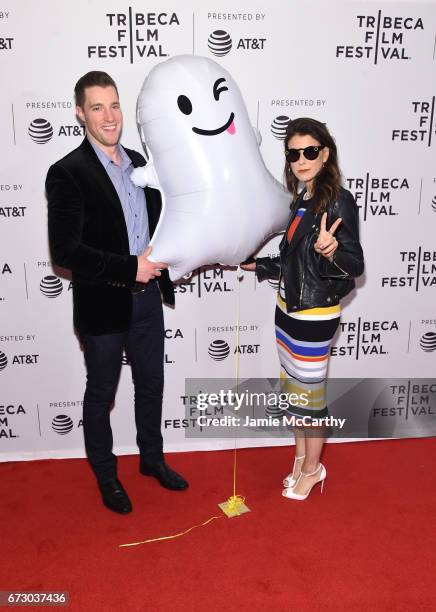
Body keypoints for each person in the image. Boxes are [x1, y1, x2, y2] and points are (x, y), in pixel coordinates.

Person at [46, 71, 188, 515]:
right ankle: (107, 476)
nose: (109, 117)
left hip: (146, 299)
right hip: (103, 302)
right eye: (97, 107)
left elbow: (163, 221)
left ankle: (152, 460)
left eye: (114, 105)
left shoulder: (139, 164)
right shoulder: (67, 173)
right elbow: (66, 251)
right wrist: (131, 266)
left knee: (151, 385)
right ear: (79, 112)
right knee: (101, 393)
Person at [241, 117, 363, 500]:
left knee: (309, 398)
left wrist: (333, 251)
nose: (301, 159)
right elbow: (295, 264)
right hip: (286, 310)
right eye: (293, 154)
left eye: (309, 151)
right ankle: (299, 458)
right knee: (294, 393)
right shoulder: (301, 200)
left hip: (314, 315)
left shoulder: (337, 200)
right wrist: (259, 265)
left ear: (325, 154)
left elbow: (354, 264)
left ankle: (313, 469)